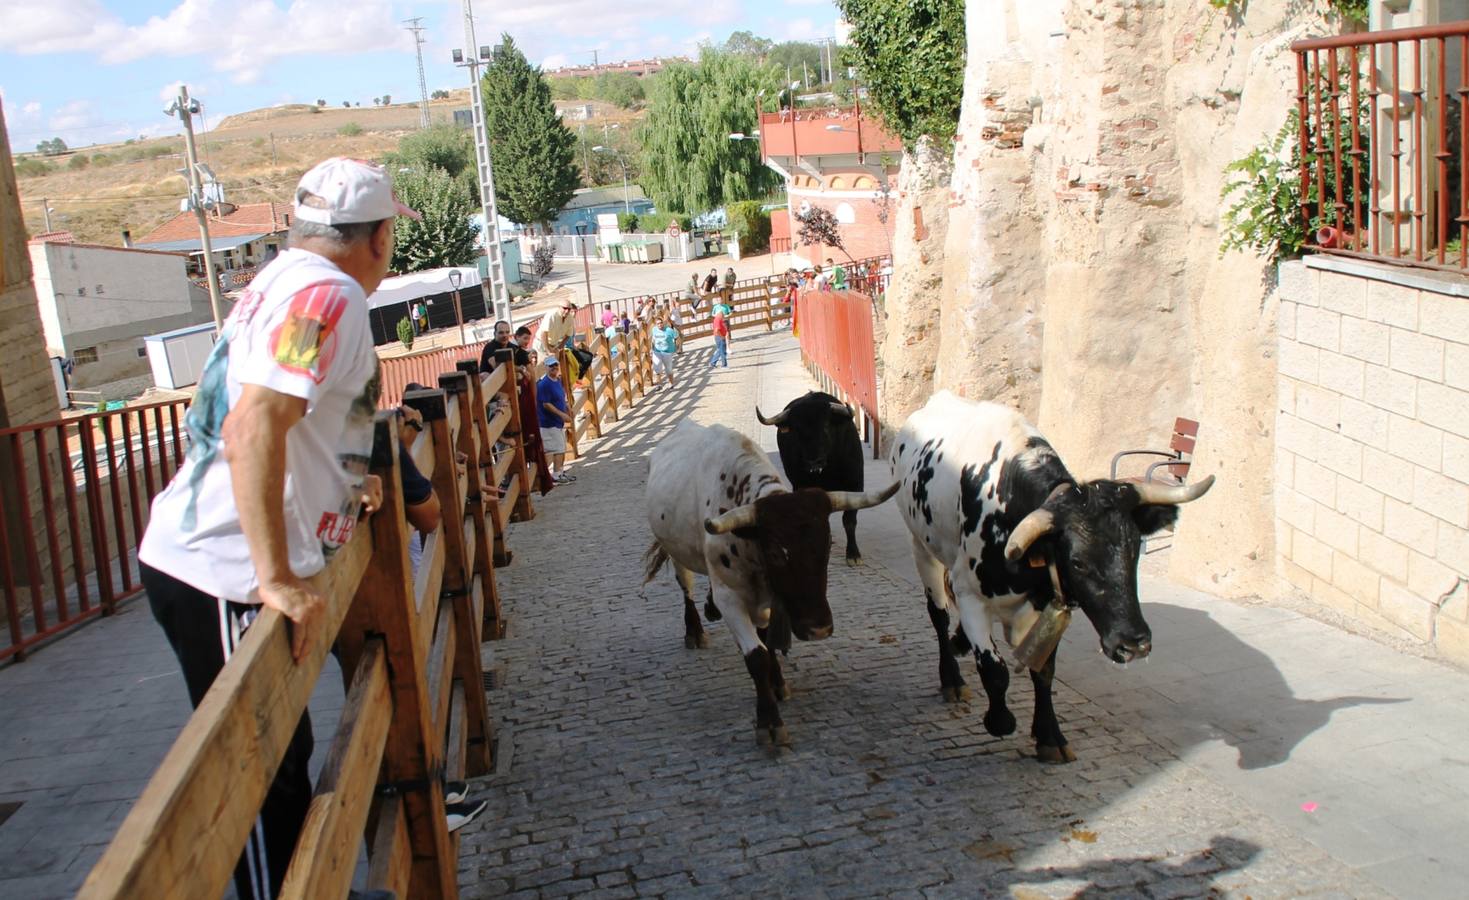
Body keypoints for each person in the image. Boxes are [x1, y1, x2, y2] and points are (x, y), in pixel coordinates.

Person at [138, 158, 419, 900]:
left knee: (284, 751)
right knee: (260, 768)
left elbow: (289, 415)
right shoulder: (326, 297)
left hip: (212, 557)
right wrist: (274, 578)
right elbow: (256, 422)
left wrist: (347, 478)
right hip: (222, 567)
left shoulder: (285, 282)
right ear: (378, 237)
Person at [537, 357, 575, 483]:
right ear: (545, 367)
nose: (554, 368)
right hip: (548, 423)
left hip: (557, 422)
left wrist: (568, 409)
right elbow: (546, 404)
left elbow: (562, 397)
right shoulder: (544, 384)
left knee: (560, 447)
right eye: (550, 366)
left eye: (555, 365)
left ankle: (559, 472)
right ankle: (553, 475)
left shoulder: (557, 380)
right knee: (555, 449)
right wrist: (561, 414)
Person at [650, 316, 679, 388]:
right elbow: (653, 339)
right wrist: (652, 348)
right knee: (657, 367)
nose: (659, 325)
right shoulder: (654, 330)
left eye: (661, 323)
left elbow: (677, 338)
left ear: (663, 323)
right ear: (656, 325)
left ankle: (671, 383)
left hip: (667, 351)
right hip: (657, 351)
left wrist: (677, 347)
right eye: (658, 324)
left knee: (668, 369)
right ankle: (659, 384)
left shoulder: (669, 330)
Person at [709, 303, 730, 368]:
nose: (724, 317)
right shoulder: (718, 319)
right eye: (723, 315)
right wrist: (722, 336)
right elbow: (717, 330)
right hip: (719, 337)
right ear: (720, 314)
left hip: (718, 336)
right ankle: (724, 365)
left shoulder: (718, 319)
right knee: (722, 351)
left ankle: (712, 363)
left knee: (719, 350)